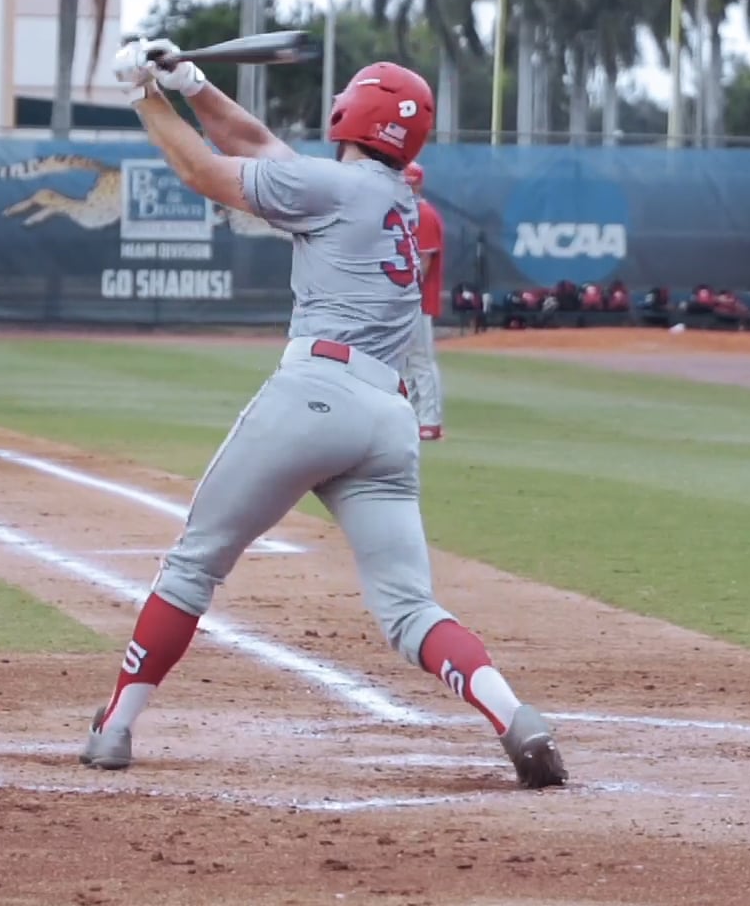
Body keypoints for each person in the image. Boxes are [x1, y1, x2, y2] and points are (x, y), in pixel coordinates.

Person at [81, 39, 567, 789]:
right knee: (409, 609)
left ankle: (114, 728)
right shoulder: (395, 198)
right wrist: (191, 84)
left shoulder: (336, 191)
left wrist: (140, 95)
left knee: (194, 565)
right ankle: (516, 719)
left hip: (314, 395)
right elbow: (261, 147)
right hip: (385, 417)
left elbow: (205, 171)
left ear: (351, 112)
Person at [402, 161, 445, 441]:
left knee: (421, 361)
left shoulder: (424, 214)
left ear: (417, 183)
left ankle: (430, 419)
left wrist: (407, 293)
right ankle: (414, 416)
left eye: (407, 181)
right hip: (404, 300)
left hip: (417, 300)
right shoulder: (406, 212)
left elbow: (425, 261)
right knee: (406, 362)